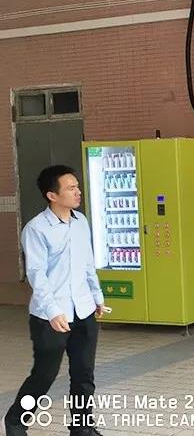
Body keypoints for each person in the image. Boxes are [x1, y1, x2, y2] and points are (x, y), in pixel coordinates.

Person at [5, 165, 105, 436]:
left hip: (83, 311)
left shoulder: (80, 221)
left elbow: (87, 264)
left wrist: (96, 297)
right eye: (71, 188)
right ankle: (15, 421)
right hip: (51, 317)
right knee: (44, 377)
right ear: (52, 195)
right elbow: (37, 275)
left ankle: (82, 428)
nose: (78, 192)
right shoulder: (36, 229)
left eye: (77, 186)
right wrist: (52, 311)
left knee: (84, 376)